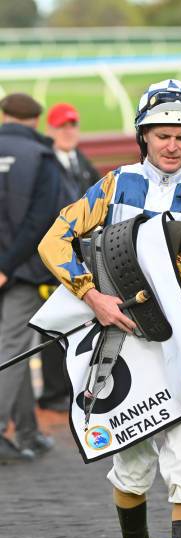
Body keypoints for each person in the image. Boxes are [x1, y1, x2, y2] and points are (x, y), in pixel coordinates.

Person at [38, 79, 181, 538]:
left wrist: (166, 251)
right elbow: (53, 241)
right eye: (161, 135)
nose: (171, 145)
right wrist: (92, 295)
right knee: (131, 469)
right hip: (123, 348)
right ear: (142, 136)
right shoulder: (113, 185)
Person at [0, 93, 61, 463]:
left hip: (8, 269)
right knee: (13, 349)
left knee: (14, 348)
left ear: (4, 115)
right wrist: (8, 266)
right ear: (36, 120)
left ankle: (27, 433)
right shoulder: (41, 156)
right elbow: (43, 220)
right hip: (21, 271)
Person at [38, 102, 100, 413]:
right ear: (50, 130)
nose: (68, 131)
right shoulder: (45, 164)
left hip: (81, 261)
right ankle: (52, 394)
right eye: (62, 126)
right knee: (53, 328)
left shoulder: (82, 162)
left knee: (78, 327)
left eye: (72, 125)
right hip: (52, 261)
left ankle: (72, 388)